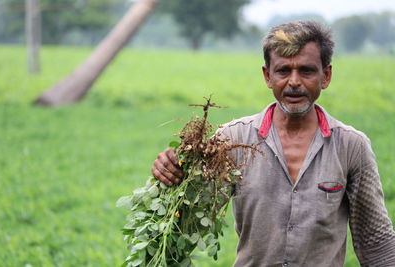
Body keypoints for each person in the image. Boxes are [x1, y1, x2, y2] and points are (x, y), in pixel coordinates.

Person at [151, 21, 395, 266]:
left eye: (307, 71)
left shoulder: (351, 146)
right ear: (268, 76)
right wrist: (173, 173)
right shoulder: (232, 140)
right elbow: (189, 217)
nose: (294, 82)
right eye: (283, 70)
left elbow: (376, 242)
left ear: (326, 76)